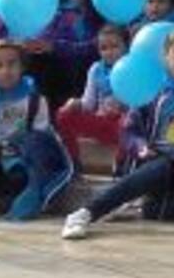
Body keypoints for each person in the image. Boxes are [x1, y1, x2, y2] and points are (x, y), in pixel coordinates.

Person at [61, 28, 174, 239]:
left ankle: (143, 208)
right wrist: (140, 147)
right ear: (166, 55)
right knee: (158, 168)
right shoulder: (151, 89)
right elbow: (128, 133)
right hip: (157, 160)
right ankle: (85, 213)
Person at [0, 41, 73, 220]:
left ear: (22, 66)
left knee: (21, 182)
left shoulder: (36, 101)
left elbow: (42, 140)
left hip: (16, 161)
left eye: (11, 64)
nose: (5, 71)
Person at [54, 24, 128, 172]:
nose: (109, 52)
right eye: (104, 48)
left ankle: (121, 165)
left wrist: (123, 106)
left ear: (126, 46)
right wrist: (74, 103)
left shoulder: (132, 67)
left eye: (115, 46)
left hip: (123, 126)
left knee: (129, 123)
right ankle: (73, 161)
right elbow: (88, 103)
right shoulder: (95, 69)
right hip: (101, 121)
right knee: (63, 114)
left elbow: (139, 104)